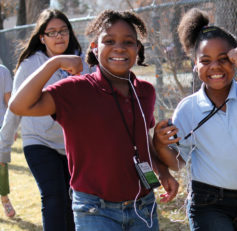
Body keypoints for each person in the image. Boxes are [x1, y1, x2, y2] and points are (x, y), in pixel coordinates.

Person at [8, 9, 179, 231]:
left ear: (137, 49)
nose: (119, 47)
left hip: (143, 206)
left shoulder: (144, 91)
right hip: (95, 210)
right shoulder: (75, 90)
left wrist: (163, 172)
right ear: (94, 48)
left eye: (128, 42)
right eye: (109, 40)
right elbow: (18, 105)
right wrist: (55, 62)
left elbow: (141, 140)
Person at [152, 8, 237, 231]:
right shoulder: (188, 109)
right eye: (205, 60)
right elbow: (177, 162)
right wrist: (159, 143)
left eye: (224, 59)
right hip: (209, 202)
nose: (215, 66)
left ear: (236, 60)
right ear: (195, 65)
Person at [0, 9, 91, 231]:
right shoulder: (31, 64)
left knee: (73, 201)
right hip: (38, 141)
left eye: (63, 30)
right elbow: (14, 108)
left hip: (72, 145)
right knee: (53, 197)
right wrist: (3, 149)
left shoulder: (82, 61)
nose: (59, 36)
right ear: (42, 37)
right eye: (52, 32)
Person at [0, 64, 15, 218]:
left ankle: (4, 199)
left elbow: (9, 101)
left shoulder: (2, 71)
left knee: (1, 165)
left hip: (1, 126)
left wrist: (12, 127)